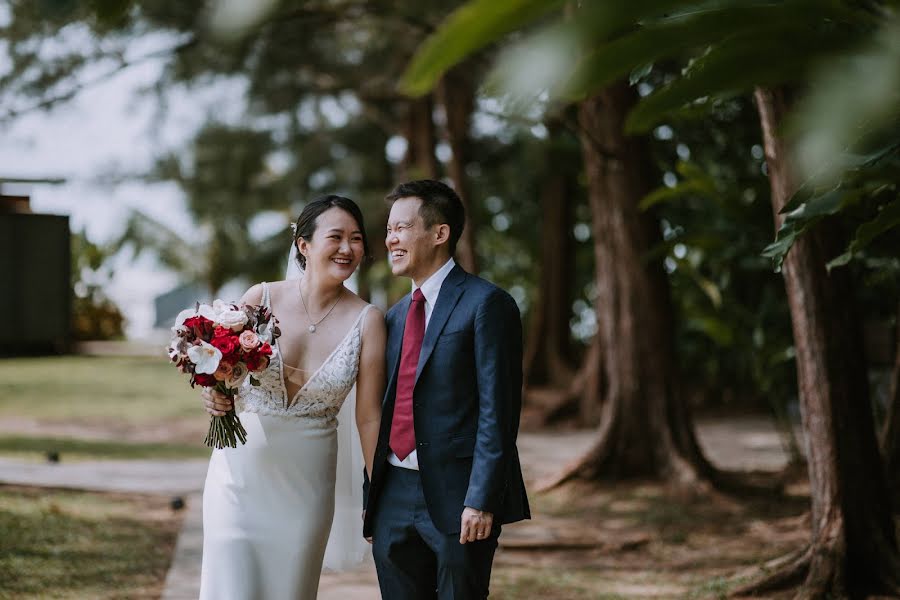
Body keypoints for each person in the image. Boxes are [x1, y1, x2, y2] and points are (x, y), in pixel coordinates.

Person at [199, 195, 386, 599]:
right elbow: (222, 372)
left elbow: (369, 417)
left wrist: (381, 494)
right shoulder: (258, 299)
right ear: (304, 245)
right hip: (237, 481)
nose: (347, 248)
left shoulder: (368, 321)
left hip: (307, 491)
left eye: (356, 239)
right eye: (335, 236)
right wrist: (215, 398)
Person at [364, 180, 531, 599]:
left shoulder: (487, 304)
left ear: (440, 234)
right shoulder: (394, 317)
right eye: (388, 230)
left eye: (401, 228)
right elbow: (385, 408)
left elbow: (499, 411)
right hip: (393, 495)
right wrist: (373, 498)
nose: (391, 239)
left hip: (460, 497)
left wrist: (481, 499)